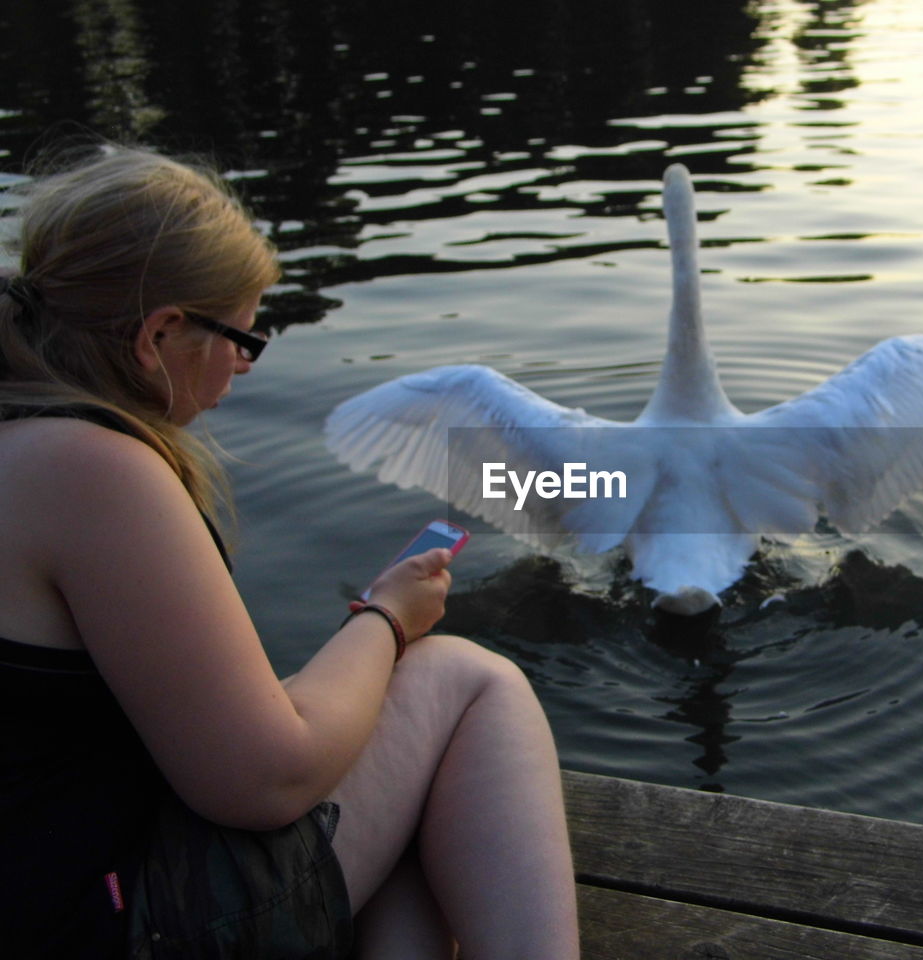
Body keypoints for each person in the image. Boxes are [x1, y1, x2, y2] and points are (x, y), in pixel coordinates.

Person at [0, 144, 579, 959]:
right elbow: (264, 781)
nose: (243, 359)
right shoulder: (89, 467)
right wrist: (386, 618)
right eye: (240, 335)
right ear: (161, 332)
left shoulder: (17, 434)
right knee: (469, 680)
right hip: (108, 928)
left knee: (400, 770)